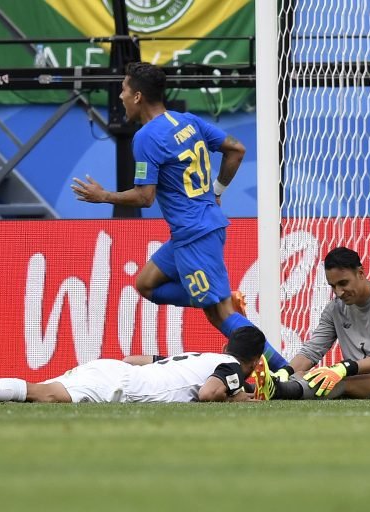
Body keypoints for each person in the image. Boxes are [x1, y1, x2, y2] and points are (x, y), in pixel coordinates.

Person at [71, 61, 287, 371]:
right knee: (145, 284)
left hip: (194, 233)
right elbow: (236, 149)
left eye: (123, 90)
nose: (120, 96)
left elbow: (145, 197)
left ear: (137, 97)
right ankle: (218, 295)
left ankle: (284, 370)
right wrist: (217, 191)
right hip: (196, 229)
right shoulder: (187, 121)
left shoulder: (146, 138)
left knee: (220, 315)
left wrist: (103, 195)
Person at [0, 326, 266, 405]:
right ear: (252, 361)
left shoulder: (206, 355)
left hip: (115, 372)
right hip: (119, 385)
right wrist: (242, 399)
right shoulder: (231, 367)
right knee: (41, 395)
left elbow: (139, 359)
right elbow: (208, 393)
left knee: (27, 398)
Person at [254, 247, 370, 401]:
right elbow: (312, 350)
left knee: (338, 380)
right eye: (333, 286)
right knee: (305, 375)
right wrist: (287, 372)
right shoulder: (335, 309)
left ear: (361, 273)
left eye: (343, 283)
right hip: (359, 374)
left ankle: (277, 391)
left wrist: (343, 368)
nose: (338, 292)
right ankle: (256, 389)